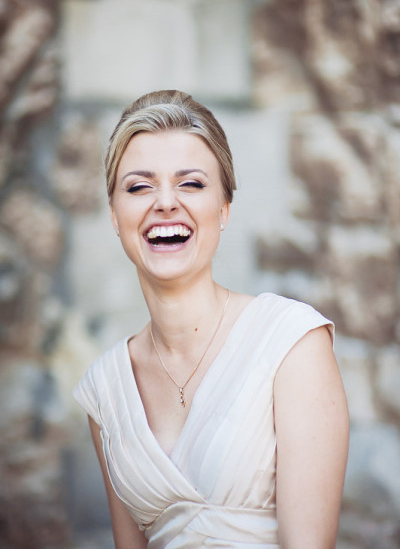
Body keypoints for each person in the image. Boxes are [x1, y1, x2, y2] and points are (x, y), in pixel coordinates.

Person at [73, 89, 349, 549]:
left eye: (191, 184)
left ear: (223, 210)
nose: (165, 202)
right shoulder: (106, 390)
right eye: (139, 187)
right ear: (115, 216)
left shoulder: (291, 344)